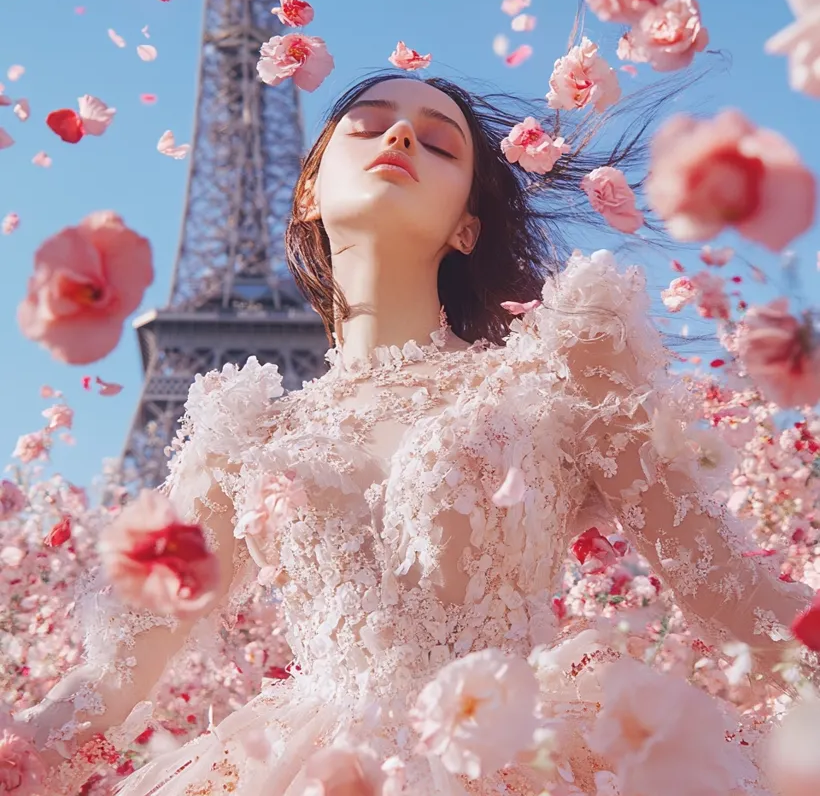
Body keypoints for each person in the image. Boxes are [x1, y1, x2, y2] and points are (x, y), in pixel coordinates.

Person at [13, 72, 816, 796]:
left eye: (438, 142)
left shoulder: (562, 368)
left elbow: (726, 591)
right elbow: (117, 672)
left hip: (521, 757)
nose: (399, 136)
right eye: (368, 123)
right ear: (307, 194)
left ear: (466, 228)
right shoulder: (246, 434)